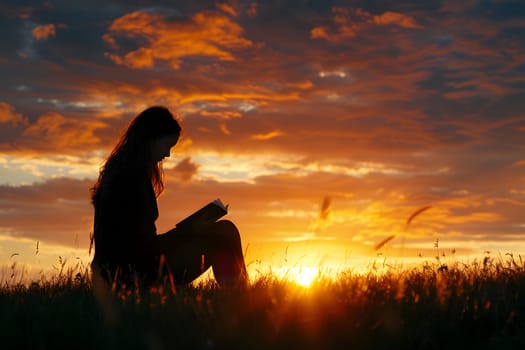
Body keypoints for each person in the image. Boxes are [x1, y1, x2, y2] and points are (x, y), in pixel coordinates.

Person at [90, 106, 248, 290]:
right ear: (151, 139)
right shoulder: (130, 178)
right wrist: (189, 231)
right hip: (134, 275)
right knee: (224, 232)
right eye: (167, 146)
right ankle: (241, 297)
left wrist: (189, 231)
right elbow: (146, 248)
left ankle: (240, 295)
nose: (168, 154)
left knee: (224, 231)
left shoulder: (121, 169)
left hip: (122, 271)